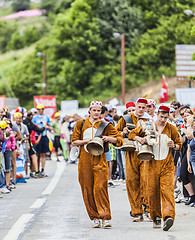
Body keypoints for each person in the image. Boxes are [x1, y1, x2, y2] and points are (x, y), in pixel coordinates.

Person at [71, 101, 123, 228]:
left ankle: (105, 217)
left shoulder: (106, 125)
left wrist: (109, 139)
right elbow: (74, 141)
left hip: (100, 160)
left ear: (101, 112)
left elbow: (119, 140)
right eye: (94, 110)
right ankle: (94, 217)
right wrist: (85, 141)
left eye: (98, 110)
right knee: (87, 189)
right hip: (85, 160)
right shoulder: (81, 123)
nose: (96, 113)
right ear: (89, 111)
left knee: (100, 187)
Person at [130, 105, 182, 231]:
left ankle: (168, 216)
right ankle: (156, 217)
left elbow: (179, 145)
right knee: (152, 192)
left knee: (167, 191)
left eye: (165, 117)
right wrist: (140, 139)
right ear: (157, 114)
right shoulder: (148, 125)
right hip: (151, 164)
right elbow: (132, 134)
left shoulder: (171, 128)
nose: (163, 119)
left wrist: (173, 145)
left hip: (166, 165)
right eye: (161, 116)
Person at [116, 98, 151, 222]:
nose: (141, 110)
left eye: (143, 107)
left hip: (146, 153)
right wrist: (122, 132)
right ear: (135, 107)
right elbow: (115, 133)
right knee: (132, 182)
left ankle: (148, 209)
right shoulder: (126, 119)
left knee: (146, 181)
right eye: (139, 107)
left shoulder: (149, 119)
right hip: (131, 153)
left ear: (146, 108)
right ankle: (137, 212)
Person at [23, 111, 46, 178]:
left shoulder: (26, 122)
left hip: (27, 140)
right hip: (27, 141)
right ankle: (34, 172)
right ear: (31, 116)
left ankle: (30, 172)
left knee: (30, 157)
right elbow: (39, 130)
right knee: (32, 156)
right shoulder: (29, 123)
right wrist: (44, 126)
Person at [32, 104, 51, 176]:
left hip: (44, 136)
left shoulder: (46, 118)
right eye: (38, 109)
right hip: (37, 136)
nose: (40, 111)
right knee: (37, 154)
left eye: (41, 109)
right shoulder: (34, 118)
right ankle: (37, 169)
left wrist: (47, 126)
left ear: (43, 109)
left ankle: (42, 169)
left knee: (43, 154)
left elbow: (50, 126)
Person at [186, 116, 195, 207]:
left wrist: (188, 124)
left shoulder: (191, 132)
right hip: (193, 160)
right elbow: (188, 149)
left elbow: (189, 135)